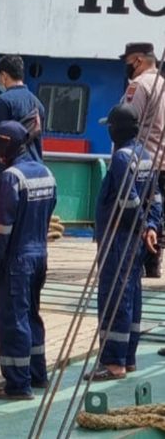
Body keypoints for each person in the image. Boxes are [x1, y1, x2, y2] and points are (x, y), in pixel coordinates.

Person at [0, 121, 56, 400]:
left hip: (17, 261)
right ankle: (38, 374)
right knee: (32, 314)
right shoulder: (47, 173)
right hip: (40, 256)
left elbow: (0, 232)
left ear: (5, 146)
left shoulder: (11, 178)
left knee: (13, 320)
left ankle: (17, 384)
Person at [89, 105, 160, 378]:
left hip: (119, 238)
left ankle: (113, 363)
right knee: (131, 294)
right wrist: (151, 226)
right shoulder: (145, 155)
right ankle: (128, 357)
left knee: (113, 297)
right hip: (137, 239)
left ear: (114, 130)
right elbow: (155, 198)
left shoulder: (121, 158)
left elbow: (128, 201)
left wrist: (142, 226)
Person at [118, 43, 165, 279]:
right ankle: (154, 264)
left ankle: (140, 262)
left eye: (128, 61)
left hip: (144, 160)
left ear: (137, 60)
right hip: (163, 160)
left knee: (139, 212)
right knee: (158, 212)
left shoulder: (139, 86)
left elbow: (126, 121)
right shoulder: (163, 85)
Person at [0, 55, 45, 224]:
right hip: (34, 173)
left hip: (7, 174)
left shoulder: (3, 101)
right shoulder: (38, 104)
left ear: (4, 76)